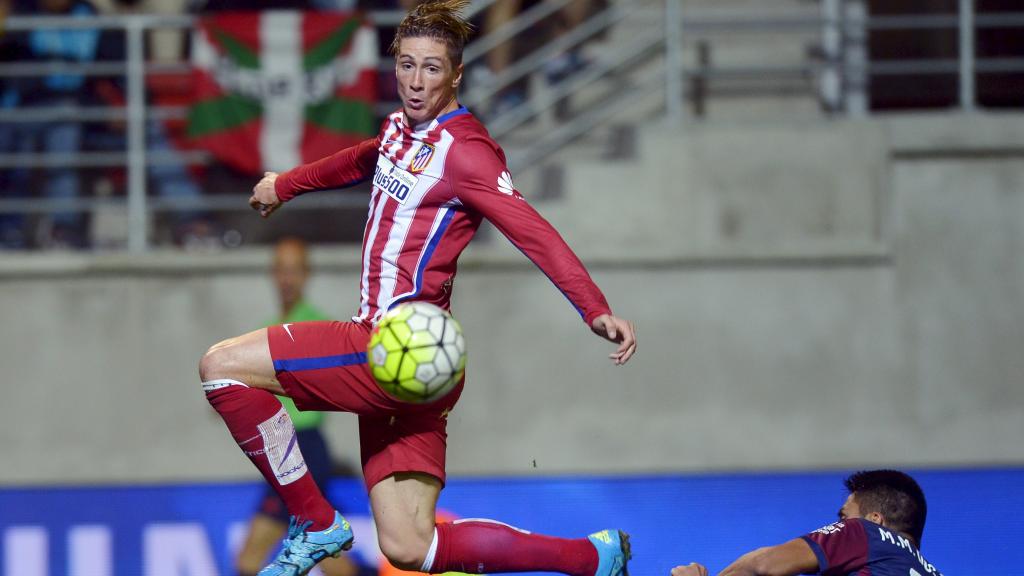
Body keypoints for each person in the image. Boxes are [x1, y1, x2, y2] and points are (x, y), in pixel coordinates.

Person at [198, 1, 637, 575]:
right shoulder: (399, 129)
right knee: (410, 547)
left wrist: (593, 307)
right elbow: (361, 159)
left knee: (222, 368)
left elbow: (532, 230)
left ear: (457, 75)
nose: (415, 81)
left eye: (432, 68)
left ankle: (314, 520)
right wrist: (286, 184)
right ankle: (592, 557)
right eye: (406, 65)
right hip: (422, 367)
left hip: (389, 343)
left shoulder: (467, 152)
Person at [234, 237, 358, 576]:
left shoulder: (317, 327)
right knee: (326, 549)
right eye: (281, 270)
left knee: (250, 559)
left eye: (294, 271)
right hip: (284, 448)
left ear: (306, 275)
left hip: (300, 446)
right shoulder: (269, 328)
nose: (286, 279)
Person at [670, 470, 944, 576]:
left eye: (844, 517)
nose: (840, 524)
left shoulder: (865, 532)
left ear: (875, 520)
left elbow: (766, 564)